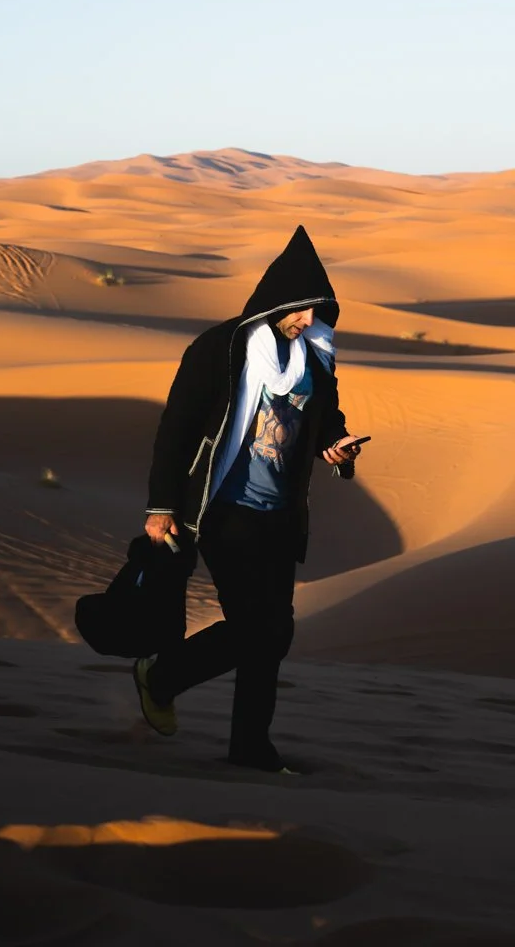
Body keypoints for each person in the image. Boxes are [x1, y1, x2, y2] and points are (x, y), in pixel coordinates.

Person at [133, 225, 362, 772]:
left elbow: (326, 419)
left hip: (280, 515)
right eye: (304, 308)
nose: (310, 319)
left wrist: (336, 447)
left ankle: (249, 748)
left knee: (273, 634)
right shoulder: (220, 350)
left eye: (319, 310)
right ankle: (162, 676)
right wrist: (162, 506)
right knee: (259, 626)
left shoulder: (316, 357)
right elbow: (177, 429)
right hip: (224, 510)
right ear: (279, 300)